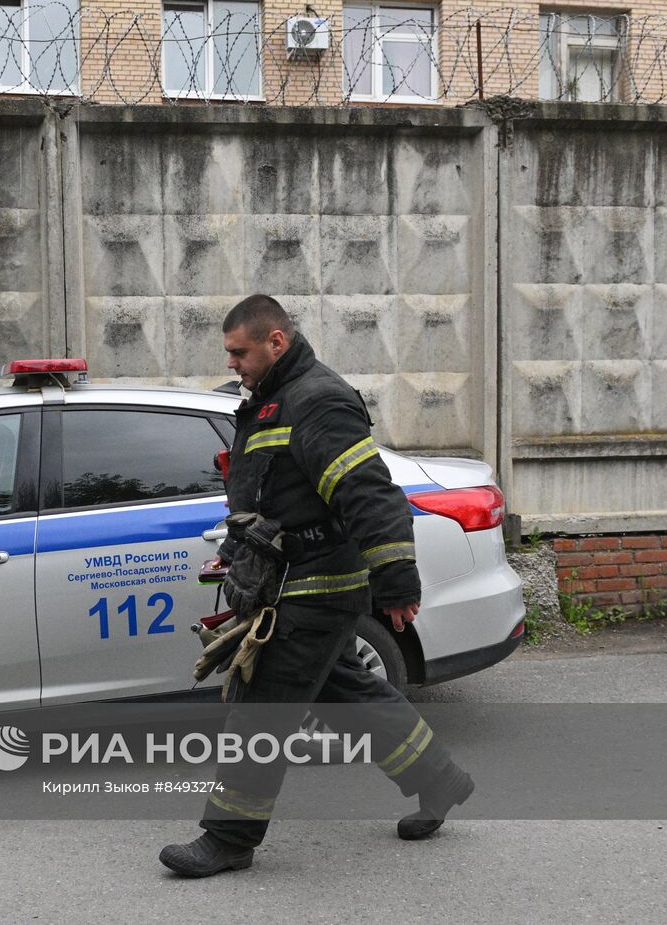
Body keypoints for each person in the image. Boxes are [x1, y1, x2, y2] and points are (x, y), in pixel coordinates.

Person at [159, 295, 475, 878]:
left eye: (239, 352)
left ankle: (229, 837)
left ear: (275, 341)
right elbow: (265, 499)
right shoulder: (273, 401)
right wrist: (235, 558)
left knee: (260, 710)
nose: (232, 363)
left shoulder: (319, 401)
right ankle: (440, 779)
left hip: (318, 585)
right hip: (287, 580)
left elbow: (370, 492)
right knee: (347, 690)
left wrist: (398, 580)